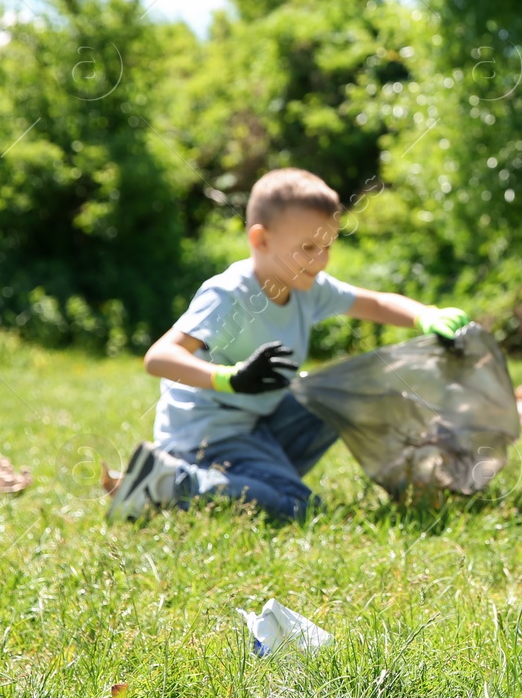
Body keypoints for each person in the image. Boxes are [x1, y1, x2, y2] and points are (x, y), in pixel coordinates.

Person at [107, 167, 472, 522]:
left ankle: (420, 476)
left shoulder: (306, 286)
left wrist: (426, 315)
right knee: (299, 506)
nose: (321, 259)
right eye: (308, 247)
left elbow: (374, 303)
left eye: (328, 245)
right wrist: (230, 378)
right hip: (209, 439)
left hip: (261, 424)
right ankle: (176, 481)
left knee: (342, 388)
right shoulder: (230, 294)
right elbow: (159, 357)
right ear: (261, 240)